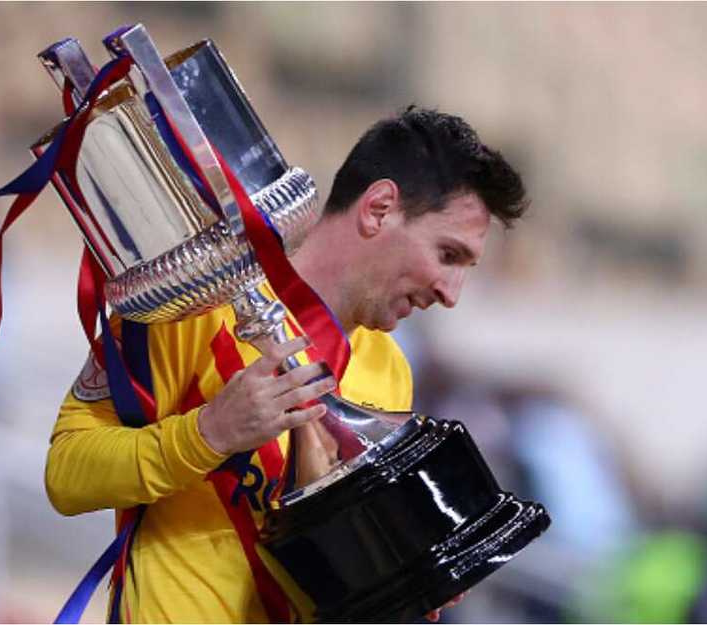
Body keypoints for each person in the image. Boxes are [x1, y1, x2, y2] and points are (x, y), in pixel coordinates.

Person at [45, 106, 529, 623]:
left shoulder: (389, 373)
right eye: (448, 255)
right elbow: (66, 474)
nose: (451, 293)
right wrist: (207, 434)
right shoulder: (197, 301)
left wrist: (403, 582)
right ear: (379, 209)